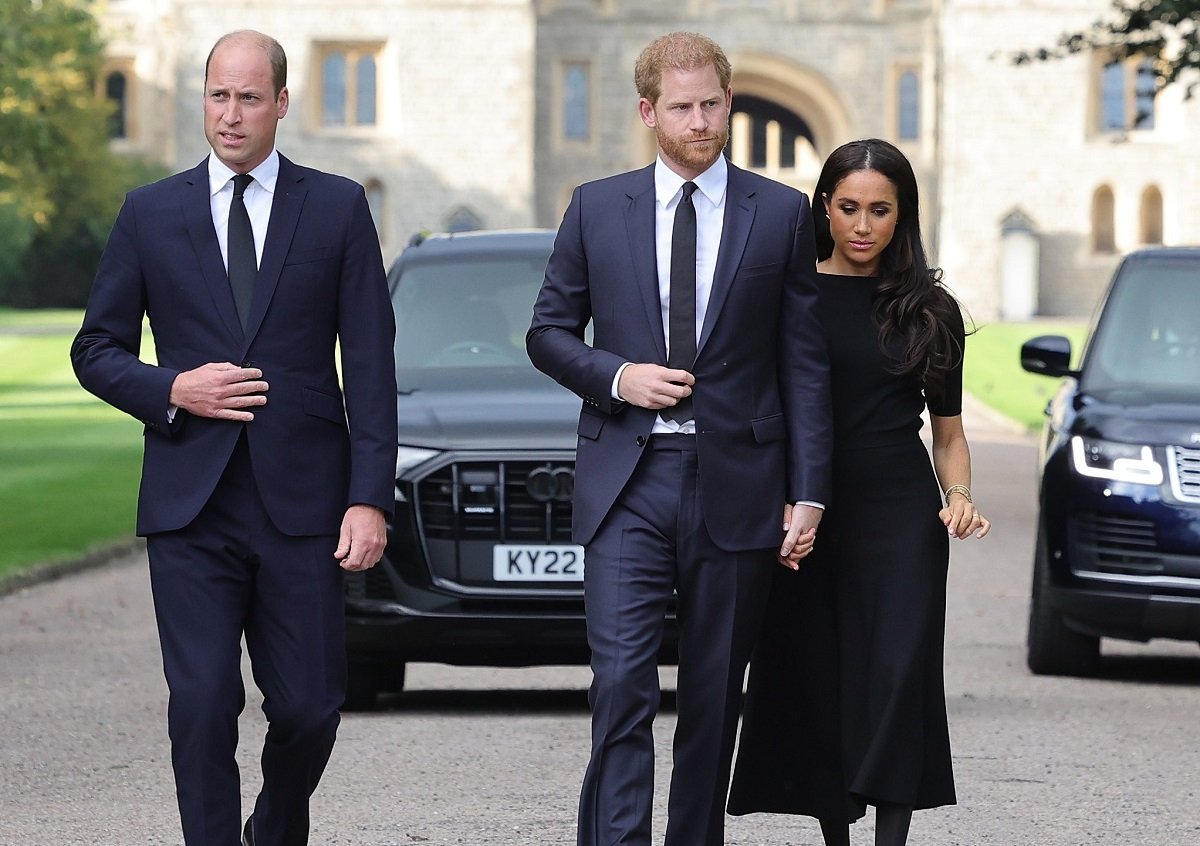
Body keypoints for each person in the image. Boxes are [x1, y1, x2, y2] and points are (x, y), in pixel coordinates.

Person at [71, 30, 396, 846]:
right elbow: (96, 349)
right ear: (202, 99)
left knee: (310, 708)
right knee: (204, 703)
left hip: (305, 506)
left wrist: (368, 498)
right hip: (191, 505)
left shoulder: (337, 206)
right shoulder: (150, 211)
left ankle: (274, 830)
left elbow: (370, 361)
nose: (231, 114)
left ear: (282, 103)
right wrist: (171, 388)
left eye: (250, 97)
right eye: (219, 95)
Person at [526, 31, 832, 846]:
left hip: (740, 480)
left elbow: (803, 364)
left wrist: (808, 491)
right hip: (628, 479)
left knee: (710, 696)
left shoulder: (780, 212)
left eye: (712, 104)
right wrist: (619, 377)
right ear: (648, 111)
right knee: (621, 685)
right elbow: (548, 333)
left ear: (729, 100)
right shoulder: (597, 206)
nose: (701, 121)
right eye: (683, 107)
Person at [728, 138, 991, 846]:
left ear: (902, 215)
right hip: (807, 509)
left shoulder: (929, 308)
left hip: (900, 515)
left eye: (881, 210)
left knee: (898, 677)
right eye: (848, 208)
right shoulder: (789, 294)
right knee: (817, 675)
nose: (864, 225)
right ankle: (836, 837)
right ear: (824, 206)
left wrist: (959, 493)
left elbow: (948, 430)